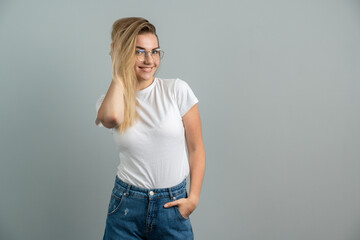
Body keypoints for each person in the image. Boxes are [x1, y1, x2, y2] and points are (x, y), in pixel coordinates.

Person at [95, 17, 206, 240]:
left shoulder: (177, 90)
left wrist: (193, 198)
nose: (149, 60)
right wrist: (119, 71)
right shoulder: (111, 101)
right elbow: (111, 117)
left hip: (171, 206)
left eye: (154, 51)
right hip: (126, 205)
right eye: (138, 52)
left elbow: (196, 148)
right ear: (123, 53)